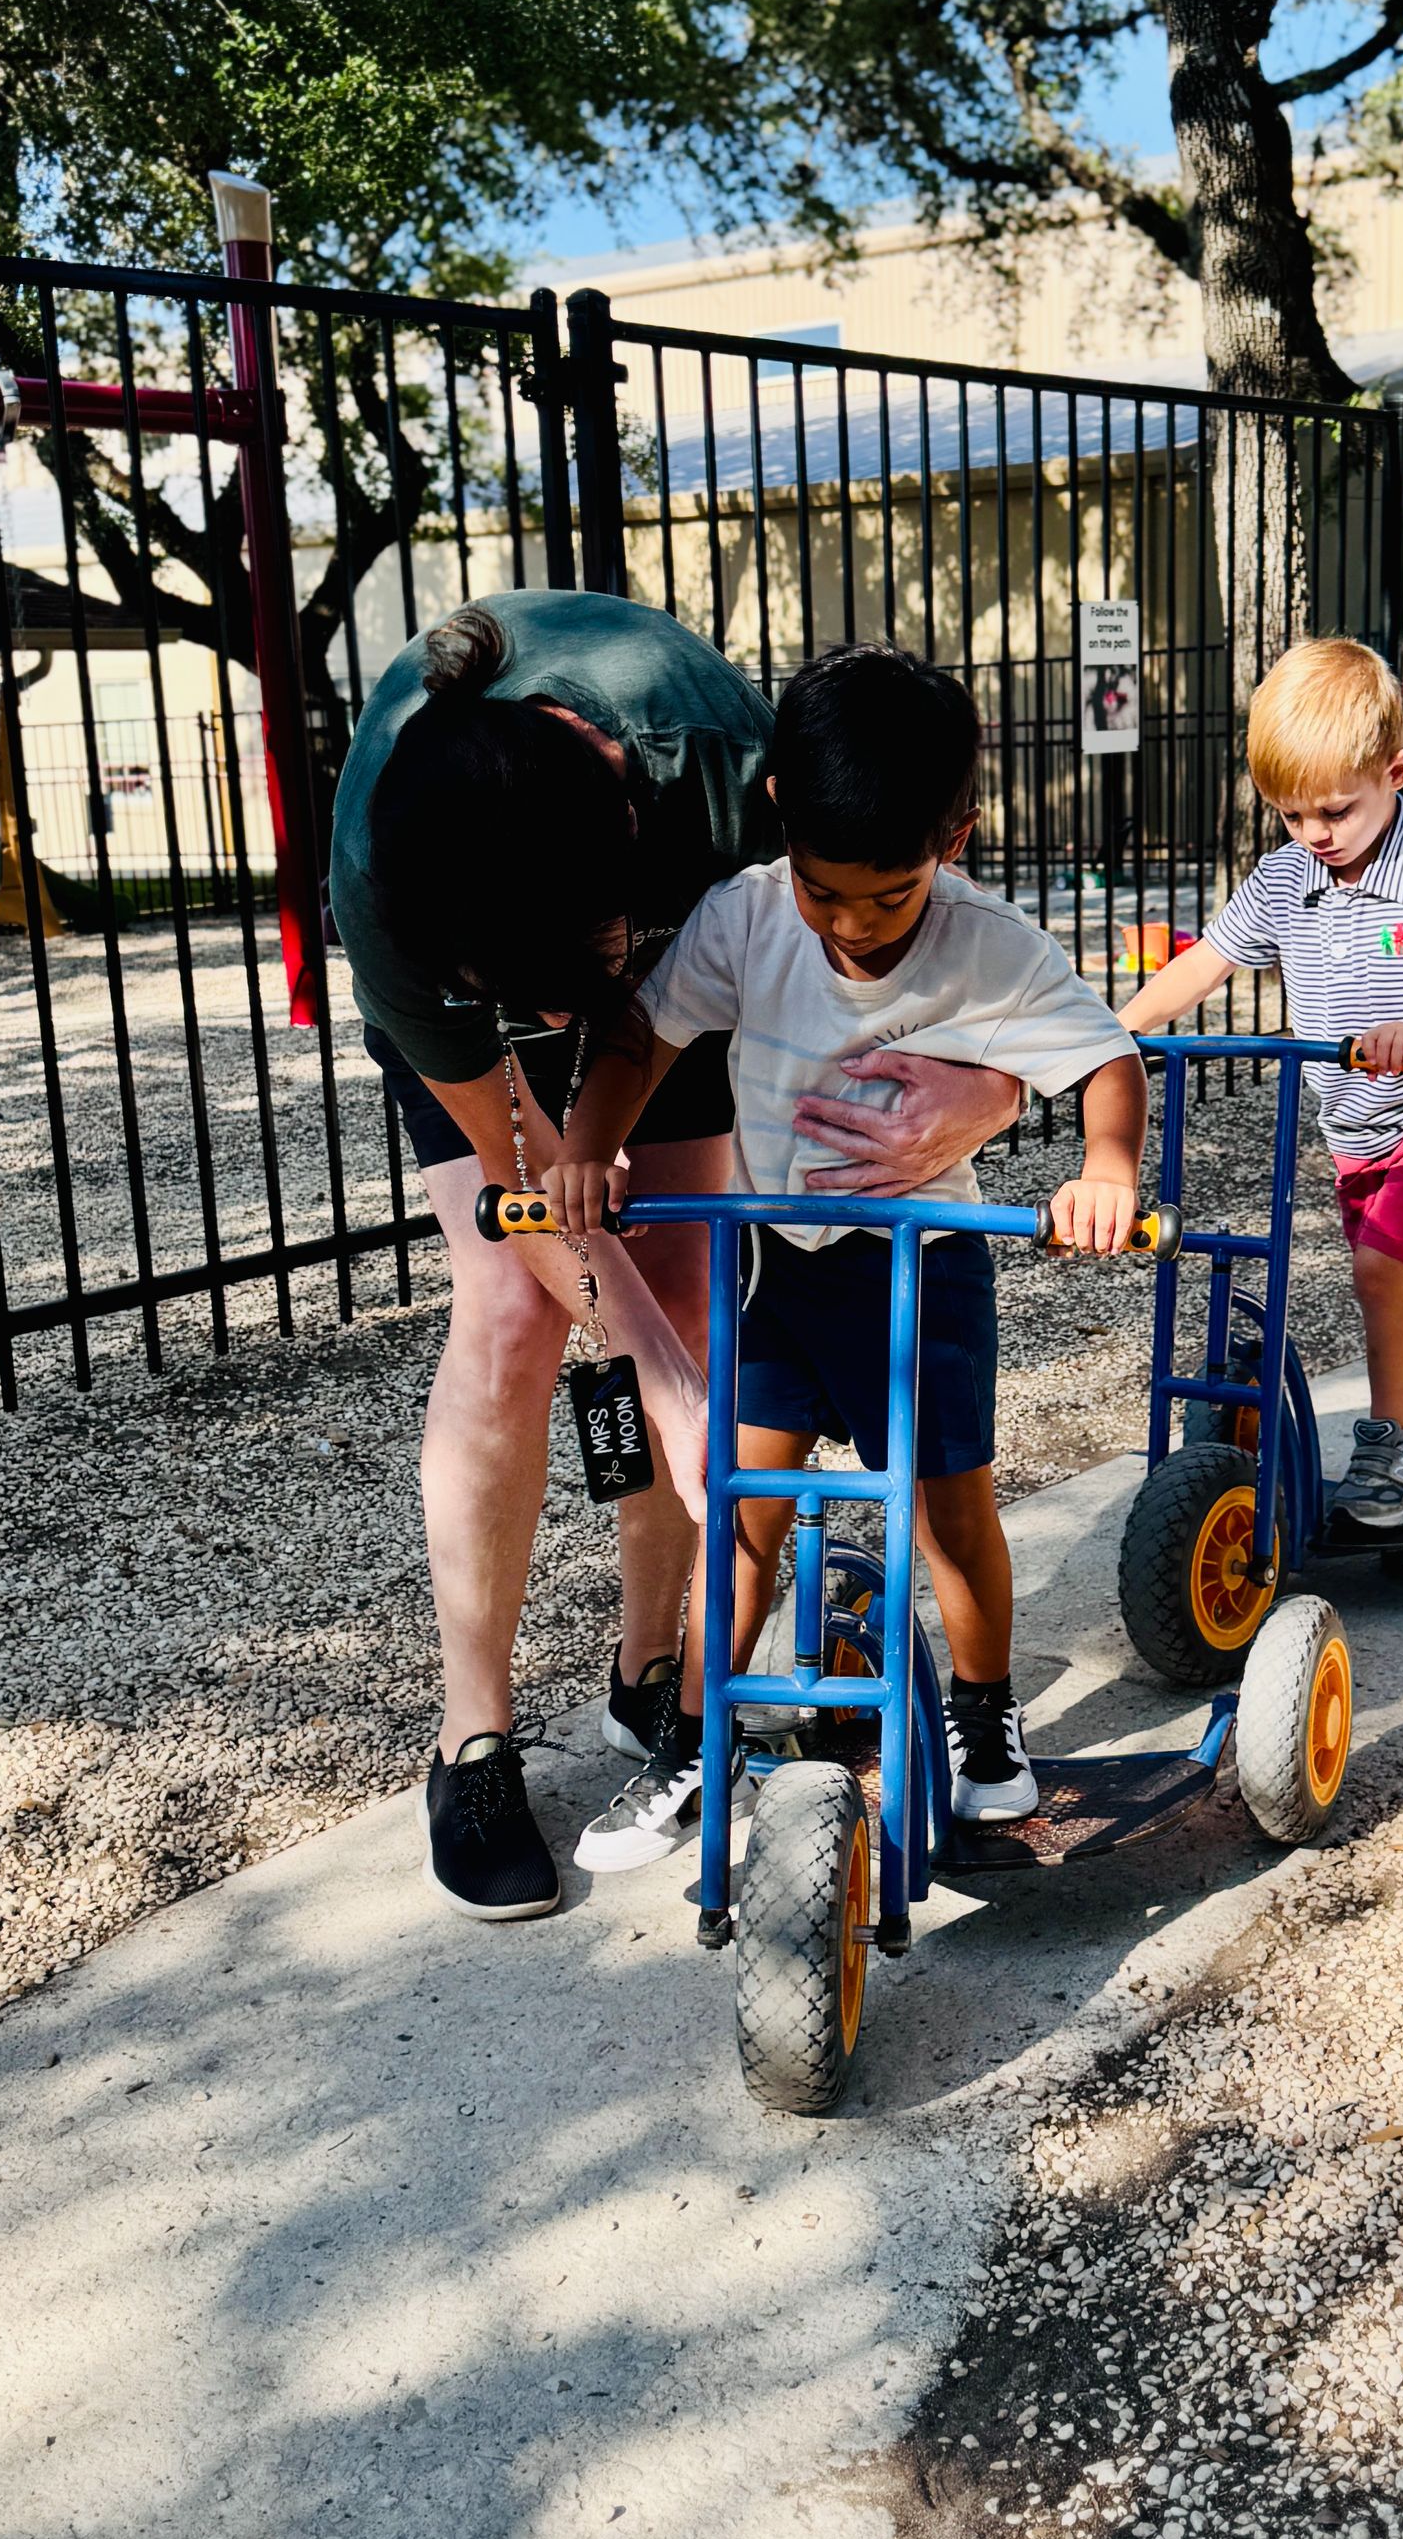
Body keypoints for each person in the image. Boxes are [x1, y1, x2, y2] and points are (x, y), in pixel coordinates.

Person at [331, 588, 1025, 1925]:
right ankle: (469, 1740)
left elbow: (902, 923)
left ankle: (656, 1676)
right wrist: (656, 1368)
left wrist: (981, 1090)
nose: (551, 1017)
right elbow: (526, 1183)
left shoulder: (711, 769)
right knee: (509, 1316)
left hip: (667, 1002)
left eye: (570, 976)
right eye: (523, 994)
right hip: (483, 996)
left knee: (700, 1281)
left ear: (627, 828)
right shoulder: (392, 871)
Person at [548, 649, 1146, 1881]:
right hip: (777, 1267)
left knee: (948, 1512)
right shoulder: (751, 914)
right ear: (780, 816)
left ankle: (983, 1722)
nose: (854, 925)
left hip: (920, 1270)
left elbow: (1105, 1061)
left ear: (955, 837)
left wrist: (1105, 1170)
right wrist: (589, 1146)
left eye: (889, 896)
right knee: (745, 1513)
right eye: (829, 893)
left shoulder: (988, 945)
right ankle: (697, 1736)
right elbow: (641, 1029)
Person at [1116, 637, 1403, 1529]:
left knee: (1379, 1274)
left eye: (1333, 810)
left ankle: (1391, 1450)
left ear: (1395, 770)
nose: (1314, 834)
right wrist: (1115, 1029)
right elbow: (1205, 962)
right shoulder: (1286, 876)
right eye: (1290, 815)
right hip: (1357, 1123)